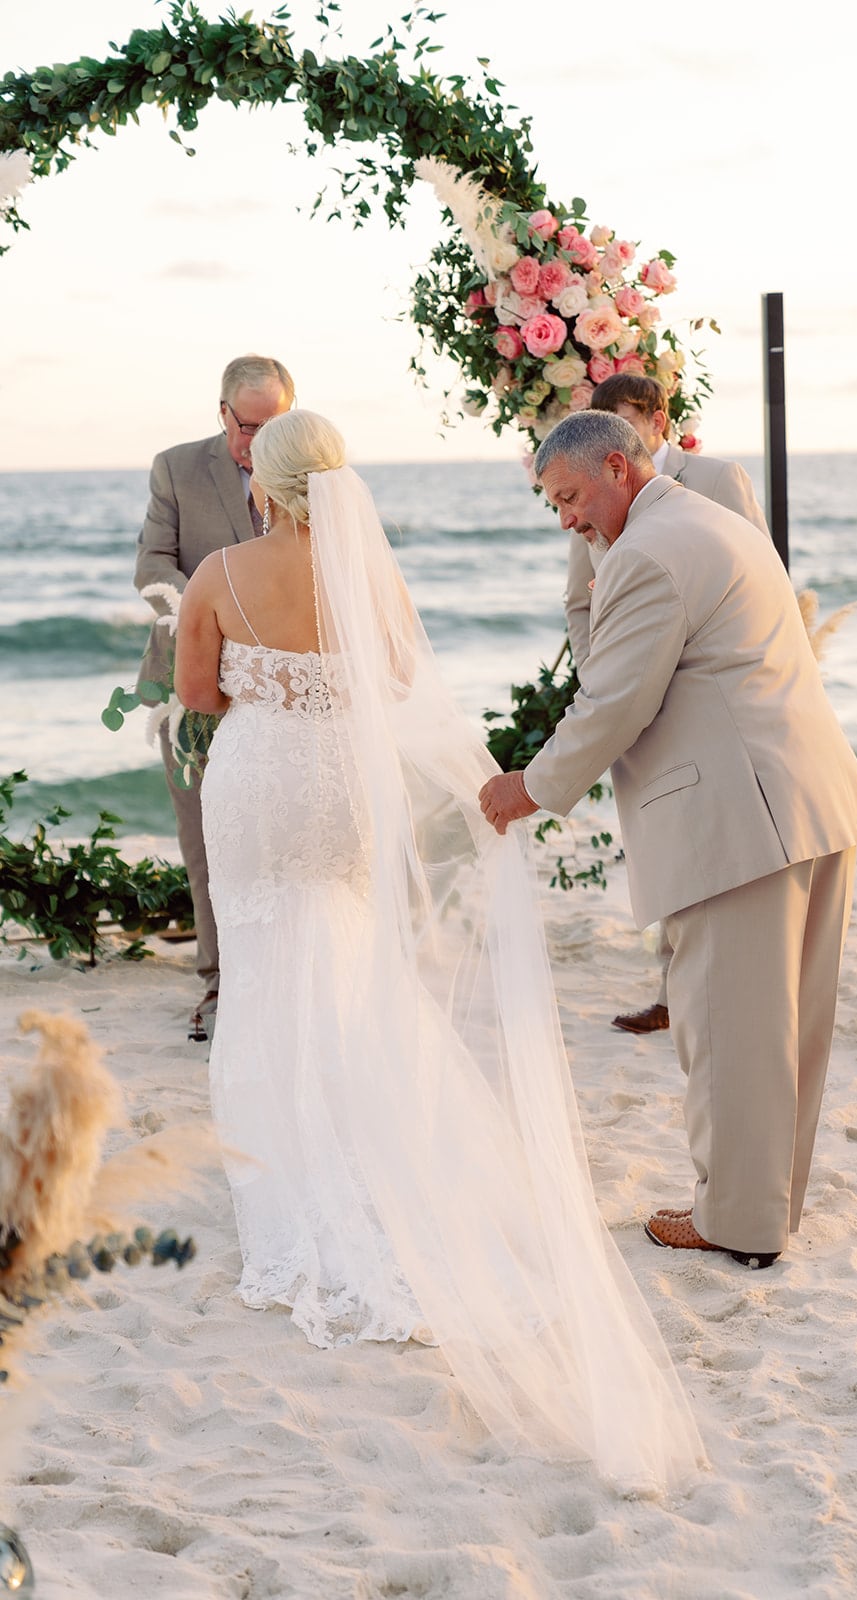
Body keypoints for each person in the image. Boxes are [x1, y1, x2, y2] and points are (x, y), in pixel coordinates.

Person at [173, 410, 704, 1494]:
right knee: (350, 950)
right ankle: (377, 1139)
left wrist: (265, 693)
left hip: (261, 778)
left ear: (260, 483)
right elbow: (407, 685)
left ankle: (290, 1156)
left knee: (271, 956)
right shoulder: (371, 580)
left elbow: (195, 694)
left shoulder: (218, 571)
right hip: (344, 788)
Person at [479, 411, 857, 1269]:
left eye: (570, 498)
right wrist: (593, 543)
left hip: (739, 818)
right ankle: (766, 1205)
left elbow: (612, 700)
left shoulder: (649, 554)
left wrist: (530, 787)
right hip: (806, 798)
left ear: (619, 467)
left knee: (727, 1029)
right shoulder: (705, 522)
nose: (565, 520)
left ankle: (736, 1220)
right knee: (788, 1027)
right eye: (552, 505)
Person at [567, 374, 772, 1036]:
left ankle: (693, 986)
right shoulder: (591, 497)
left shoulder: (714, 484)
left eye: (629, 420)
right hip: (636, 698)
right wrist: (601, 668)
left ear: (656, 420)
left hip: (702, 704)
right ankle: (672, 985)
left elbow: (758, 576)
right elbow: (580, 599)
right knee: (668, 845)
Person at [134, 354, 295, 1042]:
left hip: (281, 692)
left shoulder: (308, 467)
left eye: (273, 426)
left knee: (283, 839)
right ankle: (220, 984)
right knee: (204, 839)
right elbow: (150, 568)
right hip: (191, 684)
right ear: (222, 413)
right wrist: (211, 614)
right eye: (247, 426)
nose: (258, 443)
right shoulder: (175, 467)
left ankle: (286, 978)